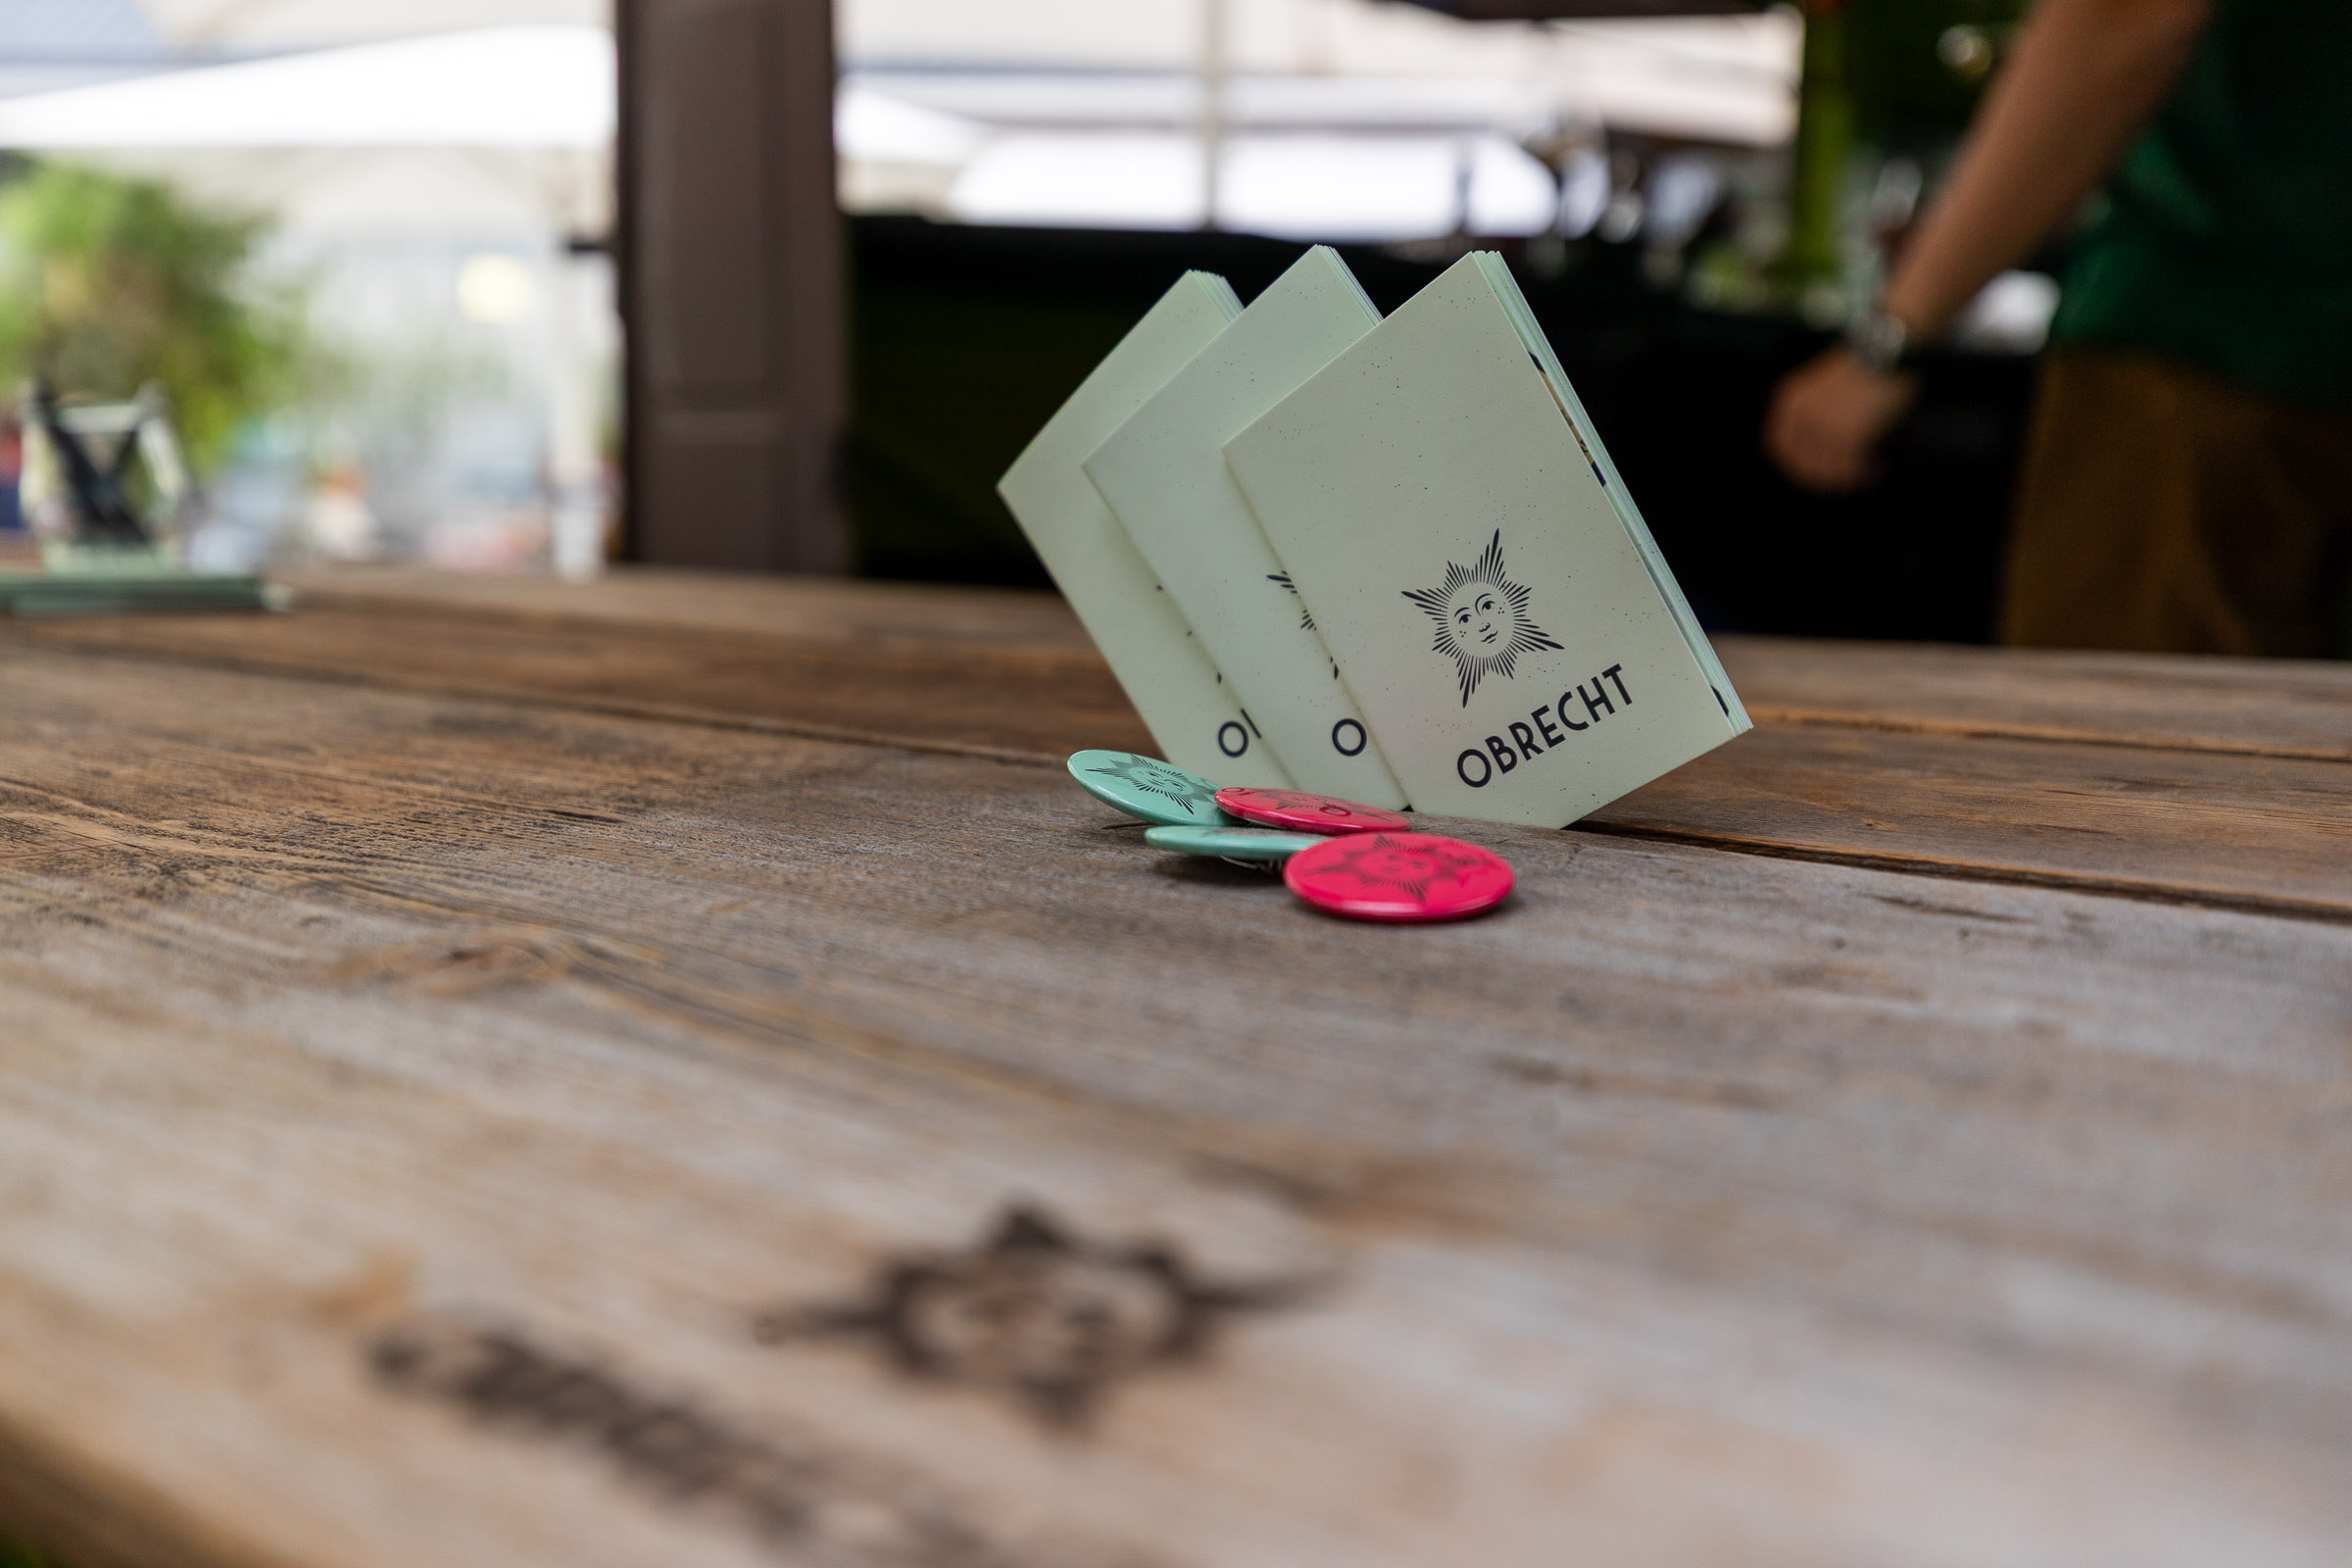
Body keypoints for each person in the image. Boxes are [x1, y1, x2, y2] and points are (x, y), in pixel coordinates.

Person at [1765, 0, 2352, 657]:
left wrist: (1891, 337)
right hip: (2279, 335)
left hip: (2211, 334)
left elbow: (2118, 20)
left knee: (2114, 706)